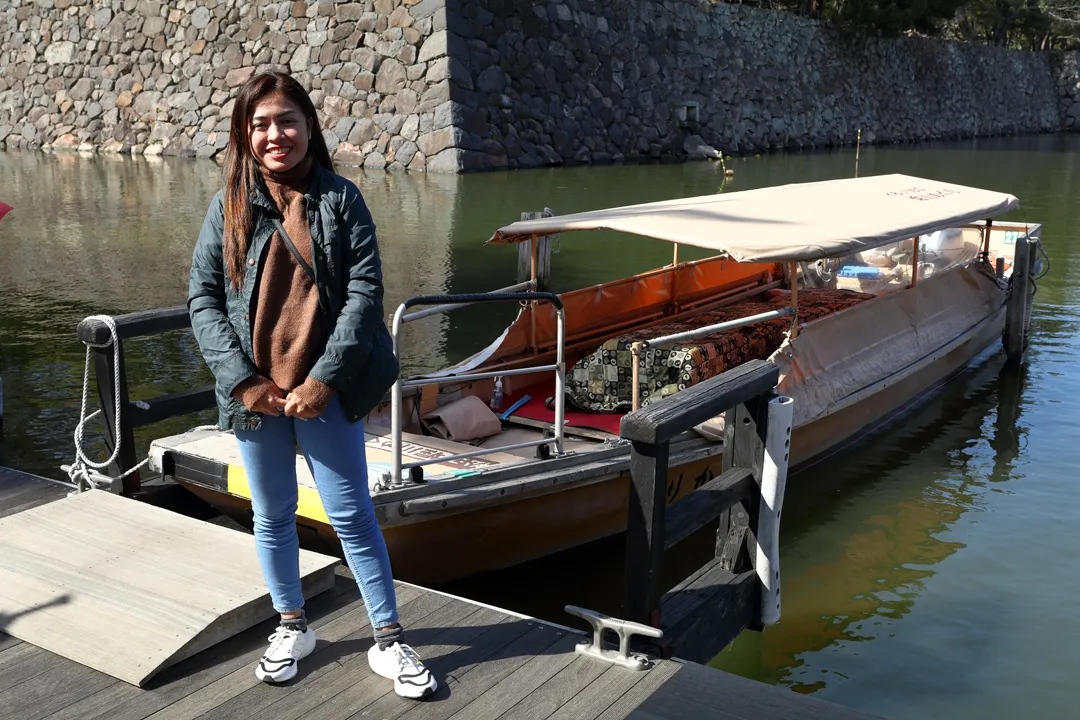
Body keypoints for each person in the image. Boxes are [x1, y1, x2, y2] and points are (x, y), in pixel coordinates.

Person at [187, 71, 435, 699]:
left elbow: (364, 294)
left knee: (350, 514)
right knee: (270, 514)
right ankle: (292, 625)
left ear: (308, 127)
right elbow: (203, 300)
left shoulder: (341, 199)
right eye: (262, 123)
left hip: (325, 389)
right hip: (254, 394)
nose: (276, 134)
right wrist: (241, 381)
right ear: (246, 133)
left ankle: (387, 637)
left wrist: (325, 379)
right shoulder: (228, 207)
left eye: (287, 121)